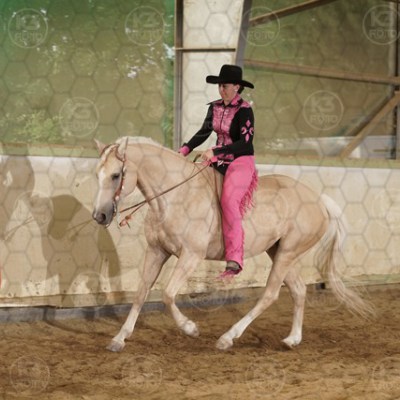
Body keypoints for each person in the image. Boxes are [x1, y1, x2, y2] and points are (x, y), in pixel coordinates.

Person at [178, 64, 258, 278]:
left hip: (240, 160)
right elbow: (203, 132)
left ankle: (235, 258)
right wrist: (184, 150)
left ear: (237, 87)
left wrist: (216, 151)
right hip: (218, 158)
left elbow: (246, 143)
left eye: (225, 86)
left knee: (228, 201)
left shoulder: (245, 110)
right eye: (220, 86)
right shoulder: (214, 107)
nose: (221, 90)